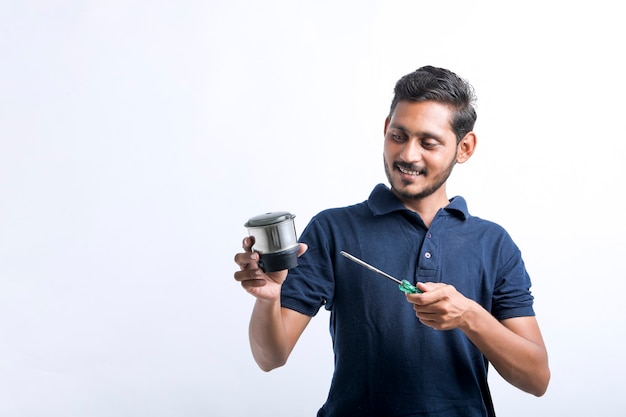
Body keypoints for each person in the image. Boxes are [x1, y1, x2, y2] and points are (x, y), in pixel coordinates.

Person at [233, 65, 550, 417]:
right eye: (398, 136)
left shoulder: (494, 243)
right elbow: (269, 358)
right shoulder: (332, 229)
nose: (408, 155)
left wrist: (470, 316)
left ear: (465, 148)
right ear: (385, 129)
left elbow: (536, 378)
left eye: (428, 143)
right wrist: (269, 298)